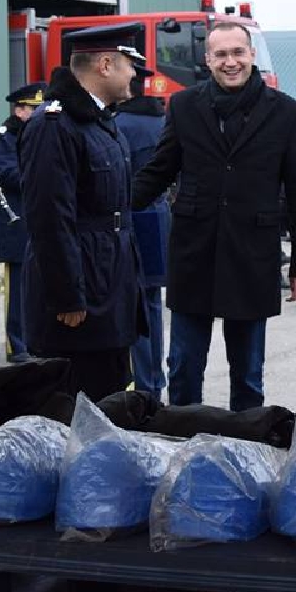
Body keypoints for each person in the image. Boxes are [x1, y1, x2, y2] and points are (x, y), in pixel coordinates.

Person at [132, 22, 296, 412]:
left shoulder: (286, 112)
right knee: (183, 366)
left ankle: (246, 442)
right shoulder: (184, 106)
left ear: (252, 55)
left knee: (247, 373)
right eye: (221, 55)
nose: (231, 62)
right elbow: (160, 170)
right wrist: (111, 204)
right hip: (193, 253)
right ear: (208, 59)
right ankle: (182, 437)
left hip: (252, 255)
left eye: (238, 53)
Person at [20, 24, 149, 403]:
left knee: (111, 395)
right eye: (129, 64)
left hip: (109, 281)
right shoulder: (54, 124)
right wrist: (67, 296)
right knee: (78, 403)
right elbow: (49, 217)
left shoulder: (99, 121)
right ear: (105, 65)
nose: (134, 74)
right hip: (81, 293)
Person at [116, 74, 171, 398]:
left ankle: (141, 386)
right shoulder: (161, 119)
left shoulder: (120, 124)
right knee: (152, 304)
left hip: (131, 216)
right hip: (158, 215)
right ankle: (154, 382)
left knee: (132, 307)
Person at [0, 81, 45, 364]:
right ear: (19, 110)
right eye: (32, 109)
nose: (37, 114)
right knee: (17, 288)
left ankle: (36, 340)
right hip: (17, 219)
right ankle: (16, 344)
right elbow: (6, 173)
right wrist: (41, 174)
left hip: (38, 218)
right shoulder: (5, 136)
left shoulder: (40, 134)